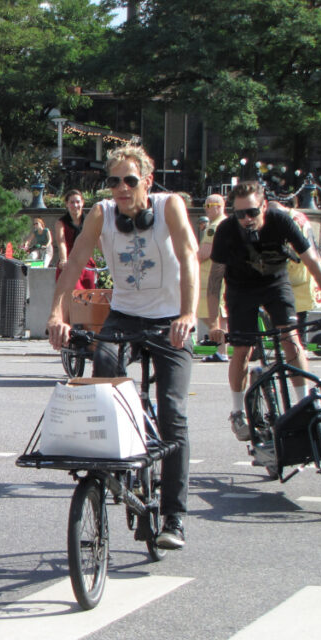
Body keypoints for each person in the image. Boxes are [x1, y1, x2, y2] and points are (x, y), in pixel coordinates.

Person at [47, 145, 199, 549]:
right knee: (103, 373)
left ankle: (174, 517)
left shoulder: (170, 208)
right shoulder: (102, 214)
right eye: (113, 181)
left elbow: (189, 258)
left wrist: (188, 314)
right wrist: (56, 316)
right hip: (124, 316)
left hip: (169, 319)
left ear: (147, 181)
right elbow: (75, 263)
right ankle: (119, 461)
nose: (120, 188)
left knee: (173, 411)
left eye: (129, 180)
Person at [208, 182, 321, 442]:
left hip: (275, 283)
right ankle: (238, 411)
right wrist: (215, 323)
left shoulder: (281, 221)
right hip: (241, 289)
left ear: (264, 206)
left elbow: (313, 261)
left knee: (291, 339)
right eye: (239, 214)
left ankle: (304, 406)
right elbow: (215, 278)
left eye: (252, 212)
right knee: (242, 349)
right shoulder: (226, 230)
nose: (247, 219)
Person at [198, 194, 229, 362]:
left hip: (210, 278)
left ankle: (221, 349)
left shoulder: (214, 227)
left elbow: (204, 253)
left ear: (218, 206)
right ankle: (222, 350)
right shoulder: (225, 223)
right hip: (221, 277)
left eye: (208, 206)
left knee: (213, 316)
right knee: (219, 316)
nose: (206, 210)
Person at [53, 189, 97, 290]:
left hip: (86, 262)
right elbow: (61, 242)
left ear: (82, 203)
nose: (75, 205)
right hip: (69, 263)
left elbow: (98, 240)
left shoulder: (90, 221)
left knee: (91, 294)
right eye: (72, 202)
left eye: (78, 202)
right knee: (76, 293)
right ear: (67, 204)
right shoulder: (61, 223)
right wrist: (64, 259)